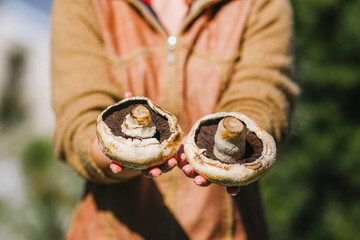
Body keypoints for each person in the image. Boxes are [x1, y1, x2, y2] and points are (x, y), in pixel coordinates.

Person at [51, 0, 299, 239]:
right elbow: (79, 119)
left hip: (226, 230)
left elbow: (262, 96)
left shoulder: (261, 3)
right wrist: (121, 153)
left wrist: (231, 153)